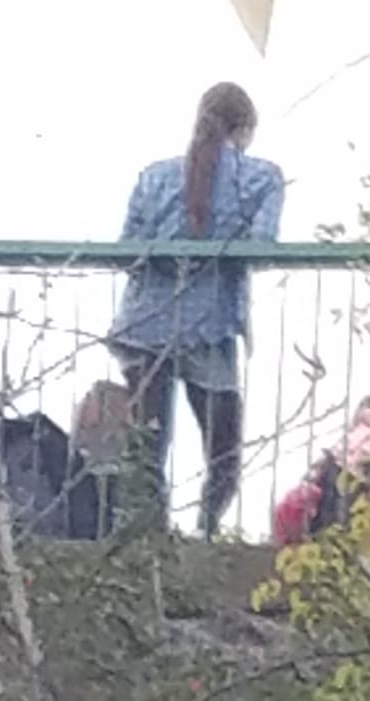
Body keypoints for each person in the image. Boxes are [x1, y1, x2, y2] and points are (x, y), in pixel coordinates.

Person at [109, 81, 284, 536]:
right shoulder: (261, 178)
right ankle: (206, 534)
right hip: (211, 326)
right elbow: (260, 249)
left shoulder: (154, 176)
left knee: (147, 446)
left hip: (143, 324)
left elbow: (126, 249)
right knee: (223, 451)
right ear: (245, 129)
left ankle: (150, 543)